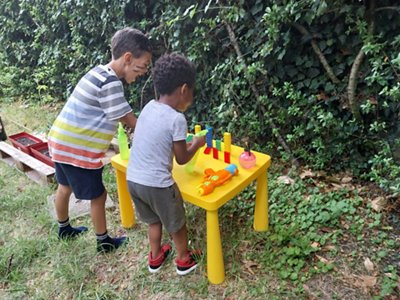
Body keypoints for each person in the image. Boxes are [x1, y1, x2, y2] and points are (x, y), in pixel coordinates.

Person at [48, 28, 152, 253]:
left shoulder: (98, 72)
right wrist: (154, 130)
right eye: (142, 66)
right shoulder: (111, 82)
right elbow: (127, 118)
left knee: (64, 186)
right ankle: (104, 242)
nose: (143, 72)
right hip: (77, 150)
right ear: (127, 58)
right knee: (99, 195)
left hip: (60, 143)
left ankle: (64, 228)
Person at [127, 53, 205, 275]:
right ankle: (183, 259)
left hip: (134, 180)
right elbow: (182, 158)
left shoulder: (149, 108)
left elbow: (156, 140)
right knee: (176, 223)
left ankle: (155, 257)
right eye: (191, 91)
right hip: (158, 185)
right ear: (183, 90)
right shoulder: (176, 119)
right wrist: (197, 144)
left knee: (153, 221)